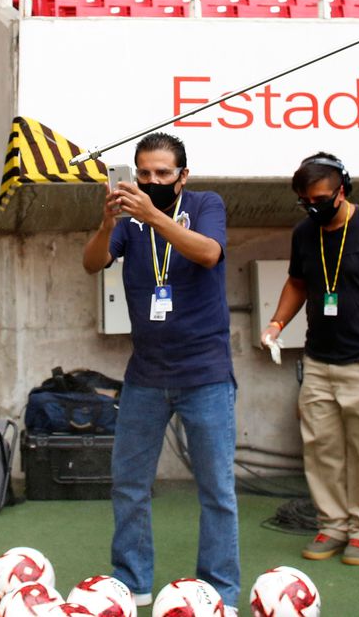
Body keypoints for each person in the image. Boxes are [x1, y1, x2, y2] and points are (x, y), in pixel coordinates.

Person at [82, 132, 240, 614]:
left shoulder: (205, 203)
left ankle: (220, 592)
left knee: (216, 490)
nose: (151, 182)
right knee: (129, 484)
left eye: (162, 174)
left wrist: (152, 214)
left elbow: (208, 252)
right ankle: (132, 582)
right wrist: (108, 222)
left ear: (182, 176)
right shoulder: (128, 219)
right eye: (143, 174)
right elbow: (92, 264)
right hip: (145, 374)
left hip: (206, 373)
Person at [260, 153, 359, 567]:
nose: (312, 207)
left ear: (342, 190)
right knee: (321, 449)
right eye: (304, 201)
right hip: (319, 361)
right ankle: (332, 524)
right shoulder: (305, 233)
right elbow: (297, 283)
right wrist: (277, 323)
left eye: (318, 198)